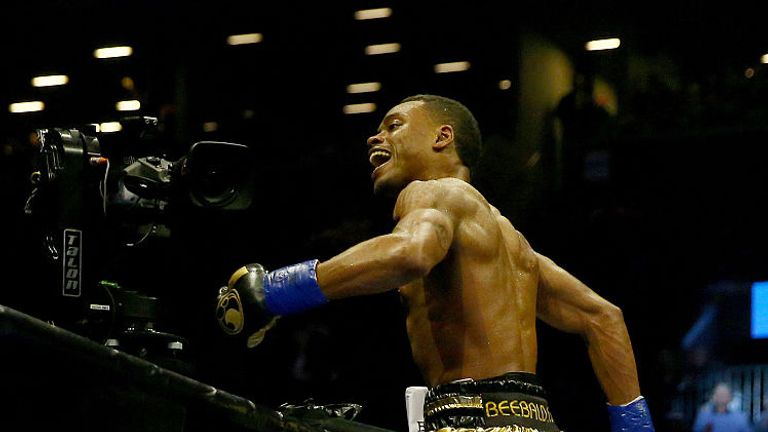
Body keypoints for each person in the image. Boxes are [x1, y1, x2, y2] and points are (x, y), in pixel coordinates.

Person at [214, 94, 655, 432]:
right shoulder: (515, 247)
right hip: (533, 419)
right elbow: (604, 319)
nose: (375, 136)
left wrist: (274, 291)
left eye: (394, 125)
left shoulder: (431, 192)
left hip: (470, 419)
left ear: (442, 137)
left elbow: (410, 253)